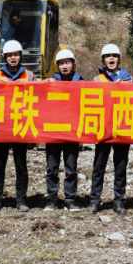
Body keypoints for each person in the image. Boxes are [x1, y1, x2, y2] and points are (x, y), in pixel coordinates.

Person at [0, 40, 35, 214]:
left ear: (20, 56)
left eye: (15, 54)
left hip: (20, 126)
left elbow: (38, 98)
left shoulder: (30, 76)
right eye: (9, 55)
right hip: (1, 126)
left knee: (21, 166)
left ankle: (21, 200)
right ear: (4, 57)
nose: (13, 58)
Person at [89, 43, 133, 215]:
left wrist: (126, 88)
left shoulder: (129, 79)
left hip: (122, 128)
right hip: (103, 128)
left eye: (114, 56)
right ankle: (94, 200)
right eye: (108, 56)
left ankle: (119, 200)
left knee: (120, 166)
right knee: (98, 166)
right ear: (103, 60)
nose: (111, 59)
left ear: (119, 59)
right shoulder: (96, 80)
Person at [45, 48, 83, 211]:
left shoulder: (81, 83)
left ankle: (69, 199)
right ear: (57, 66)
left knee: (71, 167)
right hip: (53, 131)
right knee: (52, 167)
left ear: (73, 64)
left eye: (67, 62)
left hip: (71, 132)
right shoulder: (50, 83)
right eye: (61, 63)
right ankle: (52, 199)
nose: (65, 66)